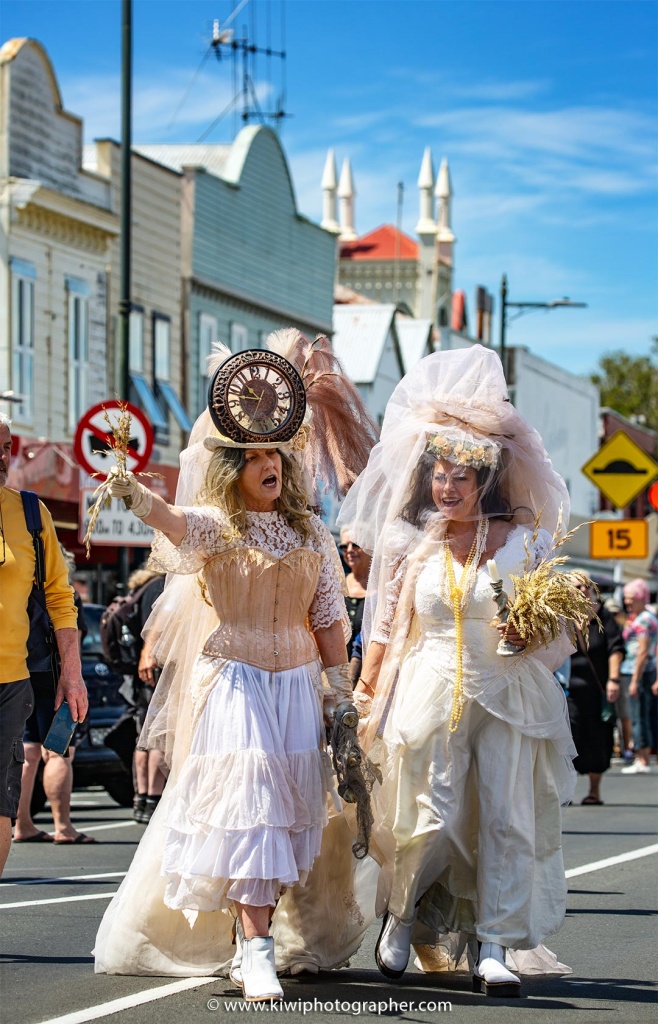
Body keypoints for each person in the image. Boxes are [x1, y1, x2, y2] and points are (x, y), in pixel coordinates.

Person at [94, 334, 378, 1000]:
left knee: (283, 814)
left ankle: (255, 936)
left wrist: (340, 699)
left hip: (296, 689)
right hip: (235, 684)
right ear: (235, 469)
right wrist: (130, 488)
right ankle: (253, 948)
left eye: (275, 454)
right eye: (253, 457)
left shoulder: (310, 534)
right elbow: (169, 518)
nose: (268, 464)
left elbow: (331, 623)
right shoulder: (215, 526)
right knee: (249, 805)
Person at [339, 344, 578, 997]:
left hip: (507, 688)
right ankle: (401, 916)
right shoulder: (408, 543)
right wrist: (366, 696)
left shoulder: (521, 540)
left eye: (460, 479)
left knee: (504, 816)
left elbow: (549, 619)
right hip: (428, 685)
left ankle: (494, 944)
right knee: (429, 814)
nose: (447, 488)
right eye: (439, 475)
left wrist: (530, 631)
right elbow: (386, 626)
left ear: (484, 483)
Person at [0, 413, 87, 872]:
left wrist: (72, 675)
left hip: (14, 680)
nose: (1, 456)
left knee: (2, 801)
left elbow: (61, 597)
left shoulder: (32, 513)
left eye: (6, 447)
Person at [14, 545, 93, 845]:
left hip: (19, 674)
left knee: (26, 753)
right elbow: (75, 642)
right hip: (55, 677)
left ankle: (22, 825)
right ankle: (63, 827)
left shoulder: (18, 589)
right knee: (59, 751)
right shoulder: (64, 593)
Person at [568, 584, 625, 804]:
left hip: (596, 688)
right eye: (576, 585)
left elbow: (615, 648)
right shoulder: (561, 616)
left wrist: (613, 680)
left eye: (585, 586)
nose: (581, 589)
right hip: (566, 689)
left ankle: (594, 791)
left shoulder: (603, 616)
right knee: (568, 735)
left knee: (598, 736)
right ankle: (566, 791)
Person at [124, 566, 167, 823]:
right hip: (158, 667)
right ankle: (153, 797)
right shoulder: (163, 587)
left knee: (143, 736)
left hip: (140, 670)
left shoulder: (140, 589)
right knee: (159, 736)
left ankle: (140, 798)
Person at [620, 579, 657, 774]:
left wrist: (634, 679)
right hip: (641, 671)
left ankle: (642, 759)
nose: (627, 603)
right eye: (626, 599)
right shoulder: (643, 617)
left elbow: (643, 652)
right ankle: (643, 757)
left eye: (631, 599)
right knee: (642, 714)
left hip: (638, 672)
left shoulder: (644, 620)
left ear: (641, 598)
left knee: (638, 715)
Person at [339, 525, 371, 661]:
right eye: (344, 546)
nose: (350, 550)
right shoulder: (336, 586)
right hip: (338, 670)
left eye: (356, 545)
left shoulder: (382, 591)